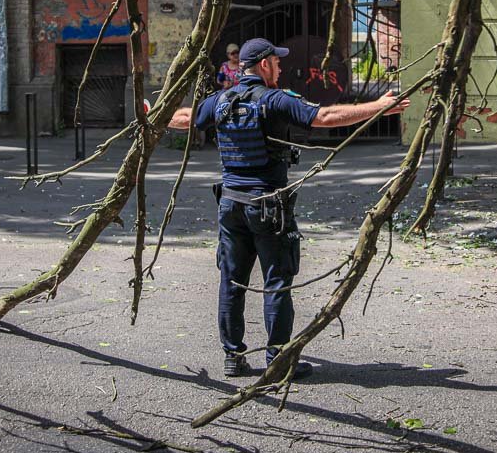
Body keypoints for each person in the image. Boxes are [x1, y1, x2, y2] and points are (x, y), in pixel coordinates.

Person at [169, 37, 409, 379]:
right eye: (277, 62)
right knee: (277, 281)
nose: (281, 68)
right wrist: (379, 106)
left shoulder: (219, 101)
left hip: (230, 205)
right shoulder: (275, 100)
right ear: (264, 64)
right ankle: (278, 360)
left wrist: (151, 114)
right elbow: (325, 116)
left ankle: (233, 358)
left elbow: (184, 117)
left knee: (232, 282)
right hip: (268, 207)